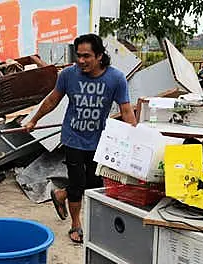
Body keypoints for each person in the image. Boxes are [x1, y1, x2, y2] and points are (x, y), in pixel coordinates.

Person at [25, 34, 137, 243]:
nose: (82, 61)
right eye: (79, 56)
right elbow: (52, 100)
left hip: (99, 141)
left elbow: (126, 110)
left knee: (94, 184)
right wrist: (34, 120)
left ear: (100, 56)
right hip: (73, 138)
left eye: (87, 56)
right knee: (78, 184)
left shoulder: (115, 78)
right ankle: (76, 224)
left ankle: (60, 195)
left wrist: (134, 138)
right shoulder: (68, 75)